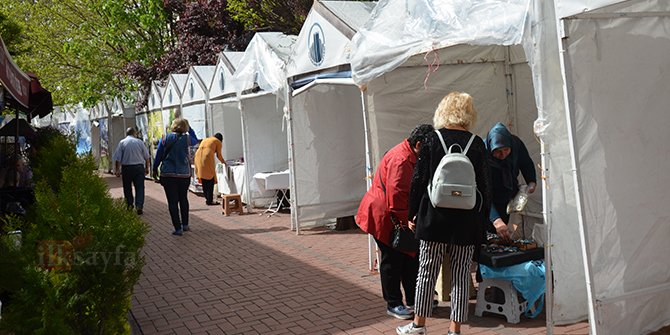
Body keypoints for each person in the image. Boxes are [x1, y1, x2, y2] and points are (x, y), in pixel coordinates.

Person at [397, 92, 491, 335]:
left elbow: (418, 180)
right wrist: (482, 222)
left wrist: (412, 212)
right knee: (461, 275)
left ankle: (419, 325)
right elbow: (485, 186)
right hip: (466, 218)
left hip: (433, 216)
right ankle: (455, 330)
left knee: (427, 271)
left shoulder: (431, 139)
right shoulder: (477, 143)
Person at [356, 124, 434, 320]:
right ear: (418, 144)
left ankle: (414, 299)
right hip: (383, 216)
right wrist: (410, 220)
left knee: (409, 257)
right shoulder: (401, 160)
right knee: (393, 261)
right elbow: (397, 198)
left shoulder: (408, 154)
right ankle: (394, 303)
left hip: (392, 215)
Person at [485, 122, 537, 241]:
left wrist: (531, 181)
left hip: (507, 193)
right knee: (490, 231)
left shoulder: (516, 144)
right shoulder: (483, 153)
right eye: (498, 151)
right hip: (489, 198)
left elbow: (526, 163)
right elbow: (483, 192)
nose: (503, 155)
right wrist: (496, 220)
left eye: (506, 150)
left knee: (504, 231)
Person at [152, 118, 192, 236]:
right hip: (184, 173)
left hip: (168, 174)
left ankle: (177, 228)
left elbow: (159, 155)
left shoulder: (165, 138)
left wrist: (155, 169)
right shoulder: (188, 139)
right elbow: (195, 139)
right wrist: (188, 129)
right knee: (183, 198)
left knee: (172, 201)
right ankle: (185, 224)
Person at [113, 127, 150, 215]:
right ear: (134, 133)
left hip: (127, 168)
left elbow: (118, 158)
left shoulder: (122, 143)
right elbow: (147, 156)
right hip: (138, 167)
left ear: (126, 133)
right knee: (140, 187)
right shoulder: (139, 142)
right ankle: (139, 206)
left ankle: (129, 205)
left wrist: (117, 169)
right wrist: (147, 167)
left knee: (127, 187)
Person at [194, 133, 226, 206]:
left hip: (198, 156)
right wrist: (224, 162)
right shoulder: (218, 142)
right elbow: (219, 155)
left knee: (204, 178)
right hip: (207, 157)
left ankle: (207, 199)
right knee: (210, 177)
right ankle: (210, 200)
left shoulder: (206, 139)